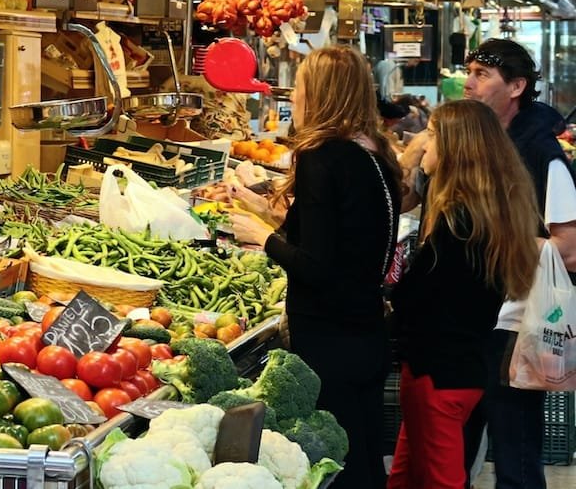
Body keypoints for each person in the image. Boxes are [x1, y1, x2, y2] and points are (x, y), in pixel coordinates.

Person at [231, 45, 400, 489]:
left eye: (301, 85)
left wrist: (261, 238)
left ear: (320, 94)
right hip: (367, 331)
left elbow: (319, 267)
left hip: (329, 340)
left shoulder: (321, 157)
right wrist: (267, 213)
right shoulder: (375, 155)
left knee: (336, 468)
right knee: (363, 458)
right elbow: (342, 238)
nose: (294, 96)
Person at [434, 38, 576, 489]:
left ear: (515, 86)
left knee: (513, 444)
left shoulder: (541, 151)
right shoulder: (485, 142)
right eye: (468, 71)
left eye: (481, 75)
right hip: (473, 317)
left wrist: (493, 235)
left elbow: (569, 247)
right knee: (459, 441)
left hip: (516, 324)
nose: (468, 83)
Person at [387, 100, 541, 489]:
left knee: (440, 478)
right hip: (463, 368)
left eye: (433, 135)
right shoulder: (491, 214)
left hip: (436, 373)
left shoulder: (456, 223)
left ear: (455, 148)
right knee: (406, 473)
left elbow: (419, 296)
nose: (424, 144)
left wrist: (391, 291)